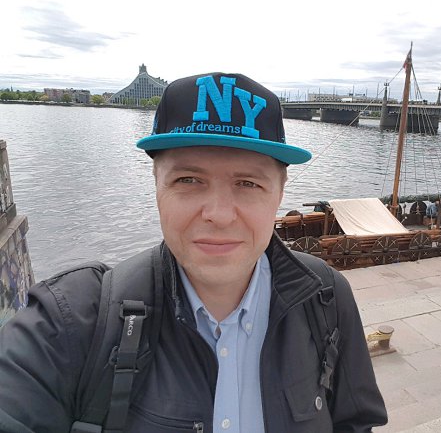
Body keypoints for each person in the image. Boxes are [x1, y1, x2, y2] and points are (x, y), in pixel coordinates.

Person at [0, 72, 387, 432]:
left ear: (280, 193)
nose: (219, 214)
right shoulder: (73, 322)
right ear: (157, 185)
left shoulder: (327, 297)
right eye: (188, 180)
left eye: (248, 184)